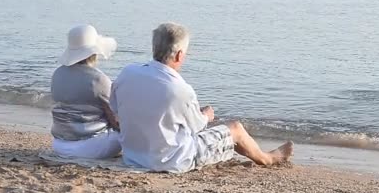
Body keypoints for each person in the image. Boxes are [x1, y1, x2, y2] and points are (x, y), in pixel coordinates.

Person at [110, 22, 293, 173]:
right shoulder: (179, 88)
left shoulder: (127, 74)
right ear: (180, 55)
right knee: (235, 128)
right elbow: (196, 127)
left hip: (133, 156)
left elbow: (116, 108)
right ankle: (267, 158)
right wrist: (206, 115)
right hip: (171, 161)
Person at [50, 25, 121, 159]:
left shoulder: (57, 74)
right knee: (124, 133)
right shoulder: (98, 79)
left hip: (59, 145)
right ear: (94, 53)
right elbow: (115, 121)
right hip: (89, 147)